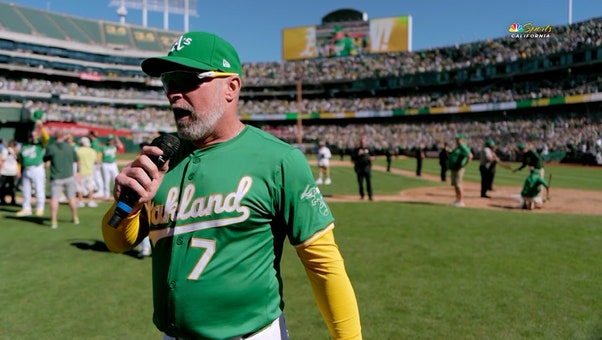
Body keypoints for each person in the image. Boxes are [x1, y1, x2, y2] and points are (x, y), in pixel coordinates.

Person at [100, 31, 361, 340]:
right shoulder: (160, 158)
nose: (173, 93)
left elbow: (324, 266)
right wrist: (129, 206)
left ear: (231, 87)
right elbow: (118, 242)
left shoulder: (279, 160)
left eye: (187, 79)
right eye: (169, 82)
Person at [43, 130, 80, 229]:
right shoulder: (70, 147)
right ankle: (75, 217)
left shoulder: (51, 147)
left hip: (56, 177)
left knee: (54, 199)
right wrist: (78, 172)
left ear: (54, 137)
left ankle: (54, 221)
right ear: (64, 136)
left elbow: (45, 159)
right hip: (69, 176)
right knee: (71, 198)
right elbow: (77, 159)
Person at [16, 120, 50, 217]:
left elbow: (47, 138)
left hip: (37, 168)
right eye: (32, 136)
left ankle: (40, 208)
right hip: (26, 169)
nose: (33, 137)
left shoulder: (40, 145)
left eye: (35, 136)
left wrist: (41, 128)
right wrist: (18, 170)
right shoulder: (24, 146)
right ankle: (26, 208)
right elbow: (20, 160)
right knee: (26, 190)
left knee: (39, 189)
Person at [447, 134, 473, 207]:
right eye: (456, 139)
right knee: (455, 184)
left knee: (458, 185)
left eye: (458, 139)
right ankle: (457, 199)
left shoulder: (463, 147)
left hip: (458, 168)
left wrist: (464, 165)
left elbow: (470, 156)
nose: (457, 141)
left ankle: (461, 201)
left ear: (462, 140)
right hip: (454, 168)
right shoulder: (458, 147)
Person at [75, 136, 99, 208]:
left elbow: (77, 162)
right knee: (90, 187)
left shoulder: (78, 150)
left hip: (81, 172)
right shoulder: (92, 151)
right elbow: (96, 161)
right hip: (90, 171)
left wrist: (77, 171)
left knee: (80, 187)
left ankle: (80, 201)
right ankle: (90, 201)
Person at [100, 134, 124, 201]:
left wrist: (117, 138)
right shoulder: (103, 147)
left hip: (113, 164)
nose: (109, 141)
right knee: (106, 180)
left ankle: (119, 194)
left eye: (110, 140)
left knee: (117, 179)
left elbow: (121, 146)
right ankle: (106, 196)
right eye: (108, 140)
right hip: (105, 164)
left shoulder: (114, 146)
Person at [351, 134, 373, 201]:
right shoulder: (357, 150)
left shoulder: (369, 149)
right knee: (360, 183)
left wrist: (371, 158)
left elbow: (373, 156)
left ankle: (370, 196)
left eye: (364, 142)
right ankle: (362, 195)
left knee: (369, 182)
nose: (363, 143)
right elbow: (352, 159)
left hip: (367, 167)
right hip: (359, 168)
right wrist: (358, 155)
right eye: (361, 142)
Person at [0, 139, 19, 206]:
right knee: (12, 187)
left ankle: (3, 200)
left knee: (2, 187)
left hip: (6, 171)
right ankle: (13, 200)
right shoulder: (16, 151)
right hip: (12, 171)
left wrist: (0, 170)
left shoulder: (6, 150)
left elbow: (2, 161)